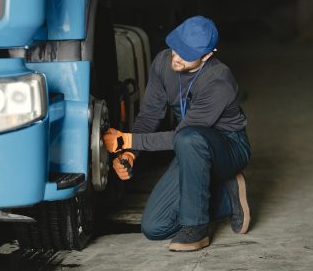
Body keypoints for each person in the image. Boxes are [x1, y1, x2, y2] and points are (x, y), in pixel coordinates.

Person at [102, 16, 251, 252]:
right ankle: (224, 196)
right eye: (176, 46)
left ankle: (197, 228)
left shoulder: (219, 80)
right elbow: (150, 114)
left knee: (188, 138)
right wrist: (131, 152)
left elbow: (181, 136)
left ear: (207, 55)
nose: (177, 56)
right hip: (188, 148)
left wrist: (125, 140)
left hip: (227, 148)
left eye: (187, 53)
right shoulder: (163, 62)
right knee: (155, 227)